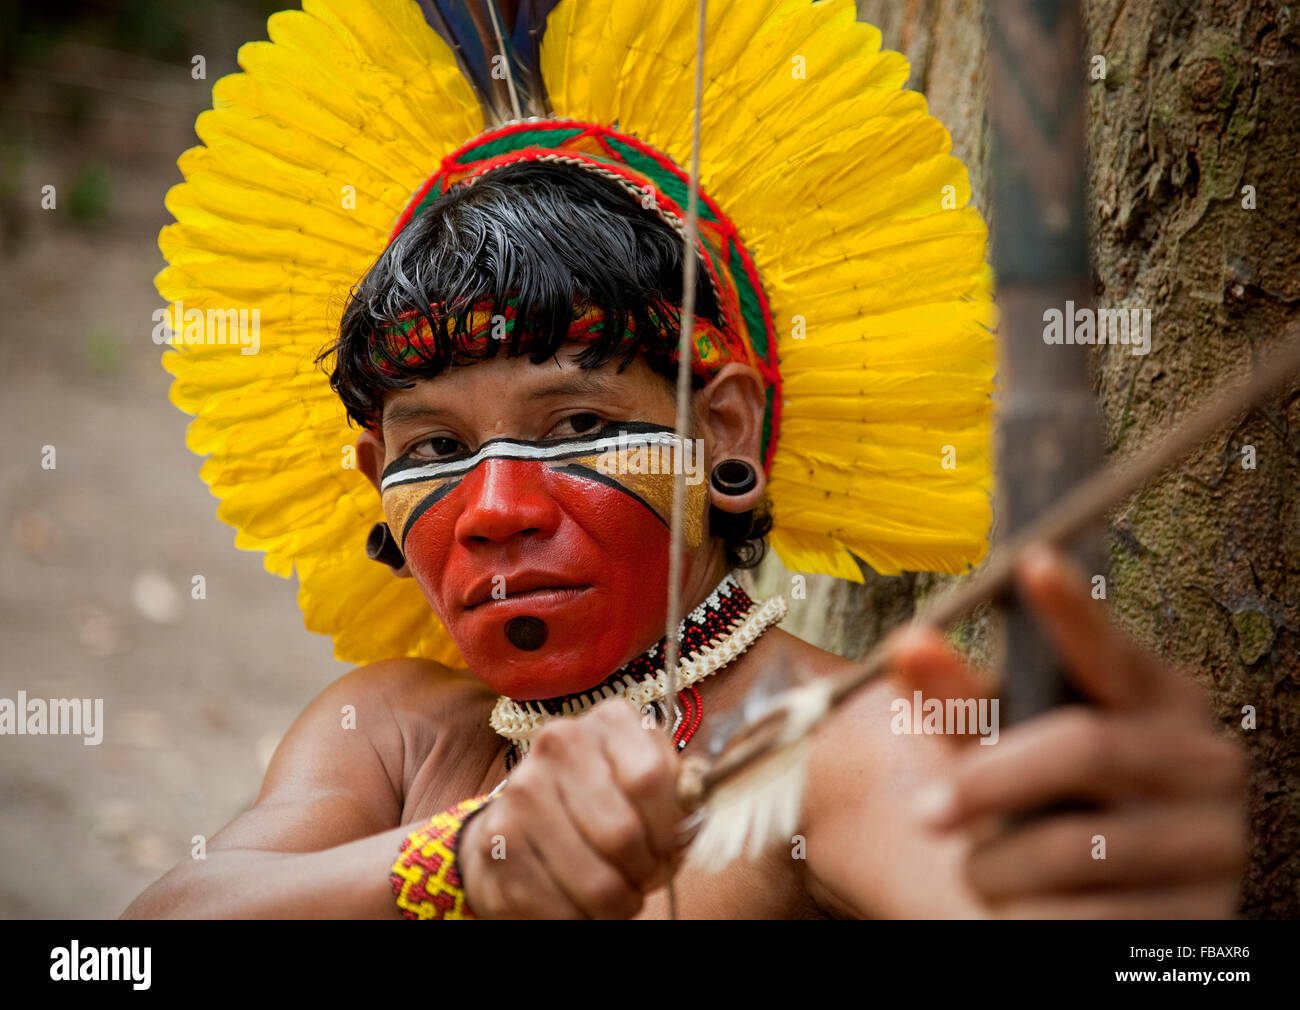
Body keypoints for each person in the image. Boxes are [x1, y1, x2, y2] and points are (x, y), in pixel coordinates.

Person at [124, 0, 1245, 919]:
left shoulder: (839, 739)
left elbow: (991, 882)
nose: (495, 509)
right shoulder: (396, 731)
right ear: (373, 473)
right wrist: (466, 857)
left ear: (725, 432)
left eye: (573, 426)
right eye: (435, 448)